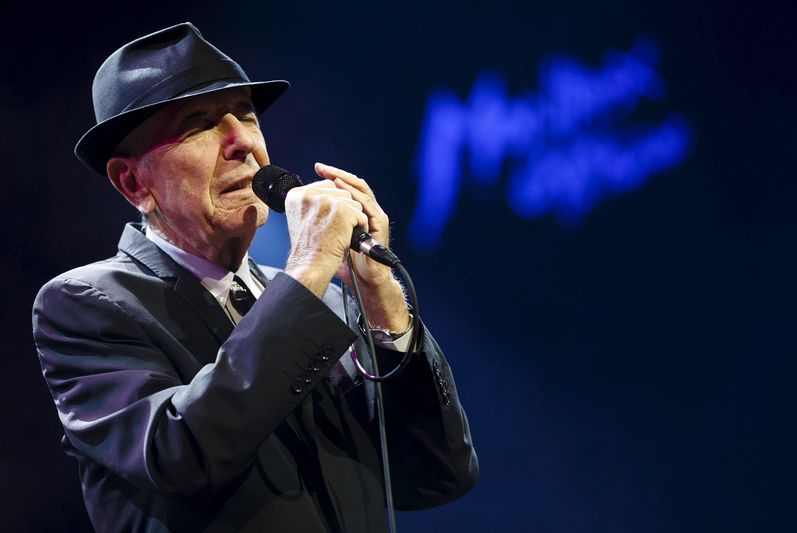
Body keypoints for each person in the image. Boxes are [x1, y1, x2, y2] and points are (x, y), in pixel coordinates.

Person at [32, 22, 477, 532]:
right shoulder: (85, 304)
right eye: (200, 124)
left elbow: (438, 476)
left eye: (246, 115)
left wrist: (380, 297)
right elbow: (182, 455)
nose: (242, 142)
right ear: (133, 182)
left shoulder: (328, 303)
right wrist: (308, 268)